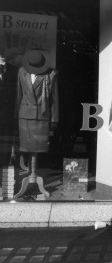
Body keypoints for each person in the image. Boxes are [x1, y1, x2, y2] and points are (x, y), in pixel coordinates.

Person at [14, 49, 59, 199]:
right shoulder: (22, 72)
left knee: (38, 149)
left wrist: (54, 119)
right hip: (25, 116)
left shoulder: (51, 75)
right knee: (27, 148)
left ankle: (34, 176)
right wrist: (16, 116)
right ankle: (30, 176)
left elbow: (54, 100)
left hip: (42, 116)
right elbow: (18, 94)